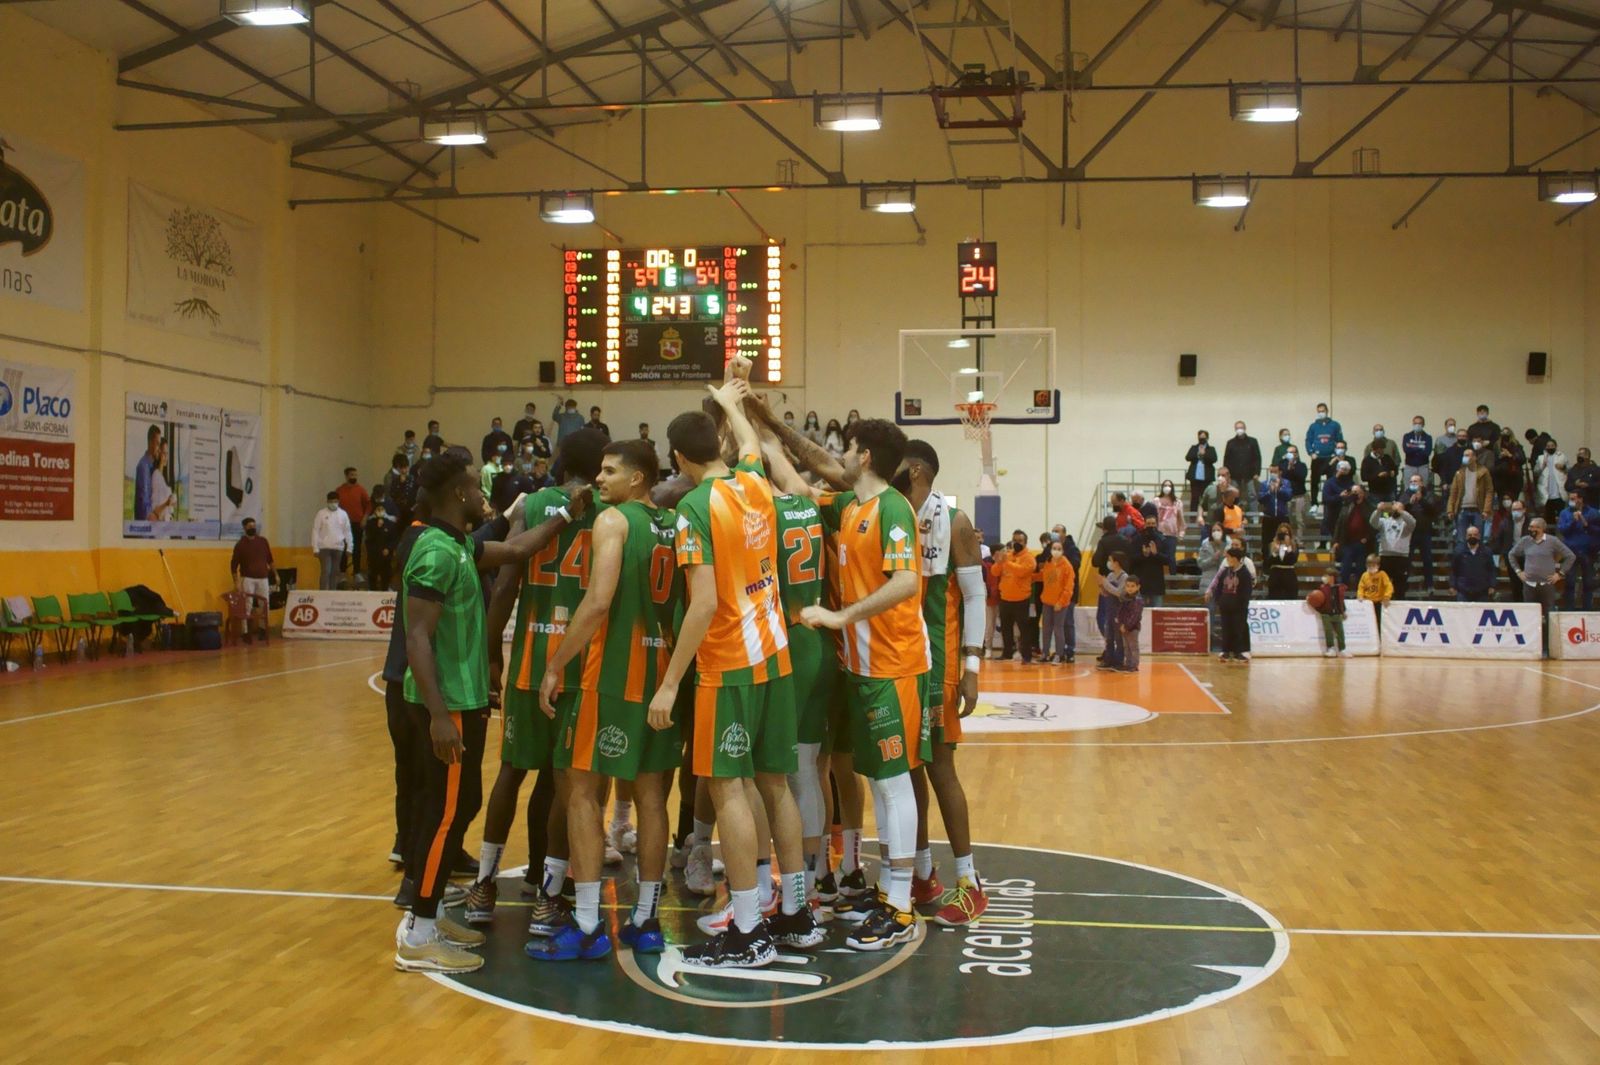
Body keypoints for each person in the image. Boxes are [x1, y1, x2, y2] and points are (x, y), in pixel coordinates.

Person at [392, 449, 593, 973]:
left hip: (464, 702)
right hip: (447, 705)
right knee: (442, 817)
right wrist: (438, 715)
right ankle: (417, 931)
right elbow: (416, 636)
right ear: (458, 494)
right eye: (476, 489)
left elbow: (519, 547)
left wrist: (566, 513)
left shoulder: (458, 544)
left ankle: (431, 916)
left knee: (461, 805)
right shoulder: (435, 551)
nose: (485, 497)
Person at [650, 381, 809, 967]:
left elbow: (702, 603)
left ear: (677, 458)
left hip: (729, 663)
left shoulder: (693, 507)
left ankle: (747, 929)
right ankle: (793, 914)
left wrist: (670, 683)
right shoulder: (756, 483)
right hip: (776, 655)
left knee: (729, 788)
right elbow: (749, 442)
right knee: (776, 783)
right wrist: (734, 401)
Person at [529, 439, 685, 961]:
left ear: (637, 478)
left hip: (610, 679)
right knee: (652, 800)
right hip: (661, 676)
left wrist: (555, 664)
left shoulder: (614, 522)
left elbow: (598, 602)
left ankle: (591, 922)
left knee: (580, 793)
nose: (599, 479)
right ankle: (645, 921)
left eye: (609, 470)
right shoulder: (671, 524)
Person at [799, 416, 931, 951]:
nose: (841, 455)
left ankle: (899, 906)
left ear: (866, 456)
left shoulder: (893, 508)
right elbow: (802, 480)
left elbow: (906, 582)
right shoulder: (851, 506)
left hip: (894, 667)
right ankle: (890, 891)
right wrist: (757, 422)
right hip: (865, 669)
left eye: (848, 448)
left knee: (892, 784)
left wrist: (840, 617)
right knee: (879, 781)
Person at [472, 431, 607, 937]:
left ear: (559, 461)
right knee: (566, 784)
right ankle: (550, 894)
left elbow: (506, 583)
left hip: (532, 660)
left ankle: (485, 883)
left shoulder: (535, 506)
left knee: (511, 772)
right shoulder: (608, 512)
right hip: (581, 665)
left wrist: (491, 655)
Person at [888, 439, 991, 927]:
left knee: (940, 769)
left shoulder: (954, 520)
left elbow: (974, 596)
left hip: (940, 663)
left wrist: (972, 666)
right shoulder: (890, 515)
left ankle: (970, 883)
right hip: (901, 658)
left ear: (914, 470)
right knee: (909, 770)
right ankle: (923, 873)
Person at [1510, 519, 1575, 656]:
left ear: (1541, 528)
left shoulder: (1552, 541)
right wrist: (1518, 572)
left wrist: (1560, 574)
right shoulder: (1525, 541)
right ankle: (1529, 647)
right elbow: (1511, 554)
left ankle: (1548, 649)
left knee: (1549, 617)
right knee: (1529, 618)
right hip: (1529, 585)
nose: (1530, 529)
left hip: (1547, 586)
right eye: (1529, 526)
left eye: (1533, 527)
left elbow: (1570, 556)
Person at [229, 517, 275, 643]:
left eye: (254, 526)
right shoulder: (240, 545)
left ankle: (262, 629)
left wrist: (275, 574)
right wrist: (236, 582)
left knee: (265, 604)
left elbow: (270, 559)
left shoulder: (263, 541)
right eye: (249, 527)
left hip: (263, 578)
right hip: (247, 578)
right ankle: (245, 632)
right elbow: (233, 565)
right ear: (244, 528)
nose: (252, 528)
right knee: (247, 605)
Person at [997, 530, 1040, 663]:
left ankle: (1026, 656)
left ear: (1025, 542)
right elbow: (995, 572)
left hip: (1021, 600)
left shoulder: (1030, 558)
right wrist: (999, 562)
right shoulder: (1007, 555)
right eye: (1015, 540)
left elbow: (1021, 572)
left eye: (1020, 541)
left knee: (1024, 630)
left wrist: (1006, 563)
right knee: (1005, 628)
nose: (1017, 543)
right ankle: (1007, 653)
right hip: (1005, 598)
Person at [1208, 547, 1253, 663]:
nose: (1227, 559)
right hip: (1225, 606)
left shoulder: (1244, 573)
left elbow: (1247, 591)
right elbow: (1218, 587)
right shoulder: (1225, 571)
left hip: (1239, 608)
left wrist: (1242, 604)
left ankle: (1241, 652)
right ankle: (1226, 651)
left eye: (1228, 557)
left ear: (1235, 558)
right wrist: (1219, 600)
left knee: (1239, 628)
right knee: (1226, 628)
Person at [1558, 491, 1600, 610]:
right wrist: (1573, 521)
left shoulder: (1593, 513)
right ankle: (1569, 609)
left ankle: (1587, 609)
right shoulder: (1564, 513)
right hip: (1570, 553)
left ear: (1581, 499)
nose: (1571, 501)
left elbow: (1598, 531)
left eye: (1574, 498)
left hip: (1588, 551)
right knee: (1570, 582)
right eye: (1570, 499)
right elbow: (1562, 530)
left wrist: (1586, 524)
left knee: (1588, 583)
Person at [1447, 445, 1493, 549]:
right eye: (1464, 455)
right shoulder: (1459, 473)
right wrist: (1450, 509)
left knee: (1478, 538)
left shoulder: (1483, 472)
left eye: (1468, 455)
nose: (1465, 457)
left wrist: (1486, 510)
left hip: (1478, 509)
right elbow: (1453, 492)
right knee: (1461, 539)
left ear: (1474, 457)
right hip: (1462, 509)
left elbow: (1489, 491)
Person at [1333, 483, 1376, 590]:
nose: (1355, 494)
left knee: (1361, 568)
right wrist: (1336, 540)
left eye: (1357, 492)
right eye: (1353, 492)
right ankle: (1343, 588)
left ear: (1362, 494)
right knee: (1345, 567)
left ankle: (1360, 589)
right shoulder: (1347, 506)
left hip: (1362, 543)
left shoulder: (1369, 507)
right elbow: (1339, 524)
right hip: (1348, 542)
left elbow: (1373, 526)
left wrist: (1367, 538)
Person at [1039, 540, 1075, 662]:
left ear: (1063, 551)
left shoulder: (1067, 566)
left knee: (1058, 628)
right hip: (1047, 600)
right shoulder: (1048, 563)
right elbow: (1044, 578)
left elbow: (1069, 587)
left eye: (1059, 548)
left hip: (1060, 603)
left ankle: (1059, 654)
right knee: (1046, 628)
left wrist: (1061, 601)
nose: (1056, 551)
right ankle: (1045, 653)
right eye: (1054, 548)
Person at [1373, 501, 1417, 600]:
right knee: (1382, 587)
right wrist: (1378, 510)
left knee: (1400, 588)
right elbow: (1373, 522)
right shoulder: (1384, 521)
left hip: (1401, 557)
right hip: (1385, 556)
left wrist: (1401, 512)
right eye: (1394, 506)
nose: (1395, 508)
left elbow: (1413, 522)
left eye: (1398, 506)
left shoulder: (1406, 524)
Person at [1402, 474, 1437, 597]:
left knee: (1427, 560)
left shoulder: (1428, 494)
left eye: (1416, 481)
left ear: (1421, 483)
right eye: (1411, 481)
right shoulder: (1405, 494)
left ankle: (1430, 585)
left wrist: (1421, 499)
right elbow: (1399, 510)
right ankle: (1403, 586)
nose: (1413, 483)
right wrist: (1409, 504)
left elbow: (1433, 510)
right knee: (1406, 561)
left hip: (1424, 532)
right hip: (1409, 533)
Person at [312, 490, 353, 590]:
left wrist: (350, 547)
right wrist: (315, 548)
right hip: (324, 547)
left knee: (335, 572)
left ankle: (332, 592)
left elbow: (347, 531)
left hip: (338, 548)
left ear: (338, 501)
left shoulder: (343, 514)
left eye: (335, 501)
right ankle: (322, 593)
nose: (333, 504)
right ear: (327, 501)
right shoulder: (321, 513)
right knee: (326, 571)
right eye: (331, 501)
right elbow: (315, 530)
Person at [1096, 553, 1129, 671]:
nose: (1109, 563)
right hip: (1109, 610)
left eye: (1110, 560)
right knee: (1109, 636)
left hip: (1119, 611)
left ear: (1117, 562)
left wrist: (1106, 583)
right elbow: (1106, 593)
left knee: (1118, 637)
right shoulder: (1110, 575)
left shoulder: (1124, 577)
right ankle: (1108, 660)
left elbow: (1119, 593)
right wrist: (1101, 586)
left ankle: (1119, 661)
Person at [336, 467, 371, 573]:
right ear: (346, 476)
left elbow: (369, 505)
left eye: (355, 475)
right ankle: (342, 572)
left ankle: (356, 572)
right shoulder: (340, 490)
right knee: (343, 548)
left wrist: (364, 518)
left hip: (357, 523)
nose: (354, 477)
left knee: (357, 548)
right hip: (343, 524)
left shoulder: (361, 489)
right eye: (352, 475)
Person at [1305, 403, 1342, 501]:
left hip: (1331, 458)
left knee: (1331, 482)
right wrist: (1311, 453)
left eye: (1323, 411)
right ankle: (1314, 503)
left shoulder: (1335, 425)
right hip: (1317, 458)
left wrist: (1337, 455)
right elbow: (1308, 440)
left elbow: (1340, 441)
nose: (1321, 413)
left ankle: (1328, 501)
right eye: (1319, 411)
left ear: (1327, 411)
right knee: (1314, 482)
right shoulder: (1313, 426)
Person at [1223, 421, 1262, 513]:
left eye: (1241, 428)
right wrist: (1226, 475)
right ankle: (1233, 514)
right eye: (1237, 428)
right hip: (1234, 475)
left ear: (1245, 428)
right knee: (1233, 495)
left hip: (1249, 474)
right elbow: (1226, 459)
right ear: (1235, 429)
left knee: (1252, 495)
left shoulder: (1253, 441)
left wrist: (1257, 472)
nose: (1239, 430)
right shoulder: (1230, 443)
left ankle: (1254, 517)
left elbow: (1257, 457)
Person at [1449, 527, 1496, 602]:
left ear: (1479, 536)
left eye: (1475, 535)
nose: (1472, 537)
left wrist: (1492, 585)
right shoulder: (1458, 551)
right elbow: (1453, 570)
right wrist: (1452, 585)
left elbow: (1492, 570)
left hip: (1482, 592)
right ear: (1466, 536)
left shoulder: (1487, 552)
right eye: (1470, 535)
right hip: (1463, 592)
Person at [1313, 570, 1351, 658]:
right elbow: (1317, 600)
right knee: (1328, 632)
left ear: (1332, 577)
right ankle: (1331, 648)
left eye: (1327, 576)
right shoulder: (1322, 588)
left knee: (1340, 632)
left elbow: (1341, 601)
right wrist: (1320, 610)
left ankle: (1342, 649)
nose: (1324, 577)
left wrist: (1343, 611)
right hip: (1326, 614)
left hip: (1337, 613)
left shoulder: (1339, 588)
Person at [364, 500, 399, 592]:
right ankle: (372, 592)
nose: (380, 511)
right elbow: (369, 539)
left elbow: (394, 539)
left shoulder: (390, 524)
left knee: (386, 575)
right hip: (374, 555)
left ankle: (385, 590)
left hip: (386, 556)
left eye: (382, 509)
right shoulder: (370, 524)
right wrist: (378, 528)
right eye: (378, 509)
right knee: (373, 575)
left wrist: (388, 548)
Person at [133, 425, 165, 521]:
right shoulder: (143, 467)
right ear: (150, 442)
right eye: (157, 444)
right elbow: (145, 510)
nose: (159, 449)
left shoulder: (151, 466)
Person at [1532, 438, 1567, 524]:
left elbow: (1568, 469)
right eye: (1548, 446)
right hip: (1547, 493)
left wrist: (1563, 467)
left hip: (1559, 493)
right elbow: (1535, 472)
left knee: (1562, 516)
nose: (1550, 447)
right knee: (1549, 518)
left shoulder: (1562, 456)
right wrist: (1542, 465)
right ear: (1545, 447)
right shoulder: (1540, 458)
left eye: (1552, 446)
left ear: (1555, 446)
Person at [1184, 431, 1217, 515]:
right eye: (1200, 437)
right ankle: (1193, 517)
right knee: (1194, 498)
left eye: (1204, 437)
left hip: (1206, 478)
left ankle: (1205, 516)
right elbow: (1188, 457)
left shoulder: (1211, 448)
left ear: (1207, 438)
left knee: (1205, 498)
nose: (1202, 439)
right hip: (1195, 478)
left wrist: (1204, 454)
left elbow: (1214, 459)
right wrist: (1197, 453)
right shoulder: (1194, 447)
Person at [1258, 465, 1292, 545]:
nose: (1273, 474)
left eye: (1275, 472)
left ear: (1280, 472)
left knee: (1284, 542)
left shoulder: (1286, 483)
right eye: (1271, 472)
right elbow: (1261, 499)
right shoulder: (1264, 484)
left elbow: (1288, 496)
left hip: (1282, 518)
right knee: (1267, 542)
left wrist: (1279, 489)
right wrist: (1270, 492)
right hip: (1268, 518)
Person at [1116, 576, 1144, 673]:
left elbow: (1135, 616)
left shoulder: (1138, 600)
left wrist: (1126, 626)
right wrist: (1120, 624)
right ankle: (1128, 664)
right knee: (1126, 647)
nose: (1130, 588)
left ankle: (1134, 665)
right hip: (1124, 627)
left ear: (1138, 587)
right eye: (1128, 586)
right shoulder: (1124, 598)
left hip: (1133, 628)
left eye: (1132, 586)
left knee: (1133, 647)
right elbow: (1120, 612)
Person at [1155, 481, 1185, 567]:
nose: (1167, 487)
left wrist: (1181, 533)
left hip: (1172, 534)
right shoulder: (1156, 500)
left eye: (1169, 485)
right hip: (1159, 534)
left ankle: (1173, 578)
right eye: (1165, 485)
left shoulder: (1177, 502)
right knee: (1158, 557)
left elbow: (1181, 519)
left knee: (1171, 558)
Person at [1280, 445, 1309, 536]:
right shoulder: (1282, 464)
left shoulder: (1302, 465)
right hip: (1287, 496)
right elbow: (1283, 476)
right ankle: (1288, 538)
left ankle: (1300, 540)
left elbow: (1301, 477)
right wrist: (1289, 466)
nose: (1291, 454)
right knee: (1287, 519)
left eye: (1292, 452)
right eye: (1289, 452)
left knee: (1300, 519)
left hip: (1299, 495)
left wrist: (1293, 467)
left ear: (1296, 454)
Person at [1357, 553, 1394, 624]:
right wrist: (1360, 595)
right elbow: (1361, 587)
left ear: (1378, 566)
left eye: (1373, 565)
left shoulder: (1382, 574)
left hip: (1379, 603)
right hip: (1367, 603)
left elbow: (1388, 586)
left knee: (1379, 621)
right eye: (1369, 565)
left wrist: (1387, 596)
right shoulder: (1364, 575)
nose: (1371, 567)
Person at [1130, 537, 1166, 608]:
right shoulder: (1137, 540)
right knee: (1138, 612)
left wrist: (1156, 553)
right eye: (1148, 524)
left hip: (1157, 586)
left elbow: (1168, 560)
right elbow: (1132, 560)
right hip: (1141, 584)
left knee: (1157, 614)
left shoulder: (1161, 539)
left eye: (1152, 524)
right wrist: (1143, 555)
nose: (1150, 525)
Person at [1492, 428, 1526, 503]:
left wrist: (1510, 455)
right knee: (1502, 501)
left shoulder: (1517, 445)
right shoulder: (1496, 446)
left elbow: (1522, 459)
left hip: (1515, 478)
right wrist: (1500, 457)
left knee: (1515, 500)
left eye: (1507, 433)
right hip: (1501, 478)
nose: (1505, 435)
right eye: (1503, 433)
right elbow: (1493, 463)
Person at [1265, 526, 1299, 599]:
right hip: (1275, 575)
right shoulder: (1272, 545)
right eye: (1281, 532)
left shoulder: (1294, 545)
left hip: (1289, 574)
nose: (1283, 535)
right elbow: (1268, 562)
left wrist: (1288, 547)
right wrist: (1274, 552)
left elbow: (1294, 560)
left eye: (1285, 532)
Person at [1402, 417, 1433, 490]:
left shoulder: (1428, 437)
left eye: (1420, 423)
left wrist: (1412, 446)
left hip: (1423, 466)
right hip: (1410, 466)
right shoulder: (1407, 436)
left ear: (1423, 424)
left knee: (1423, 488)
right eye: (1415, 423)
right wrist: (1420, 447)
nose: (1417, 425)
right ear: (1413, 424)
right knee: (1408, 489)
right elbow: (1406, 450)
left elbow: (1427, 452)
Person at [384, 455, 414, 528]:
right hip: (395, 508)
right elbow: (390, 494)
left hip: (407, 509)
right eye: (403, 467)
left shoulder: (409, 477)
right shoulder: (390, 477)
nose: (405, 470)